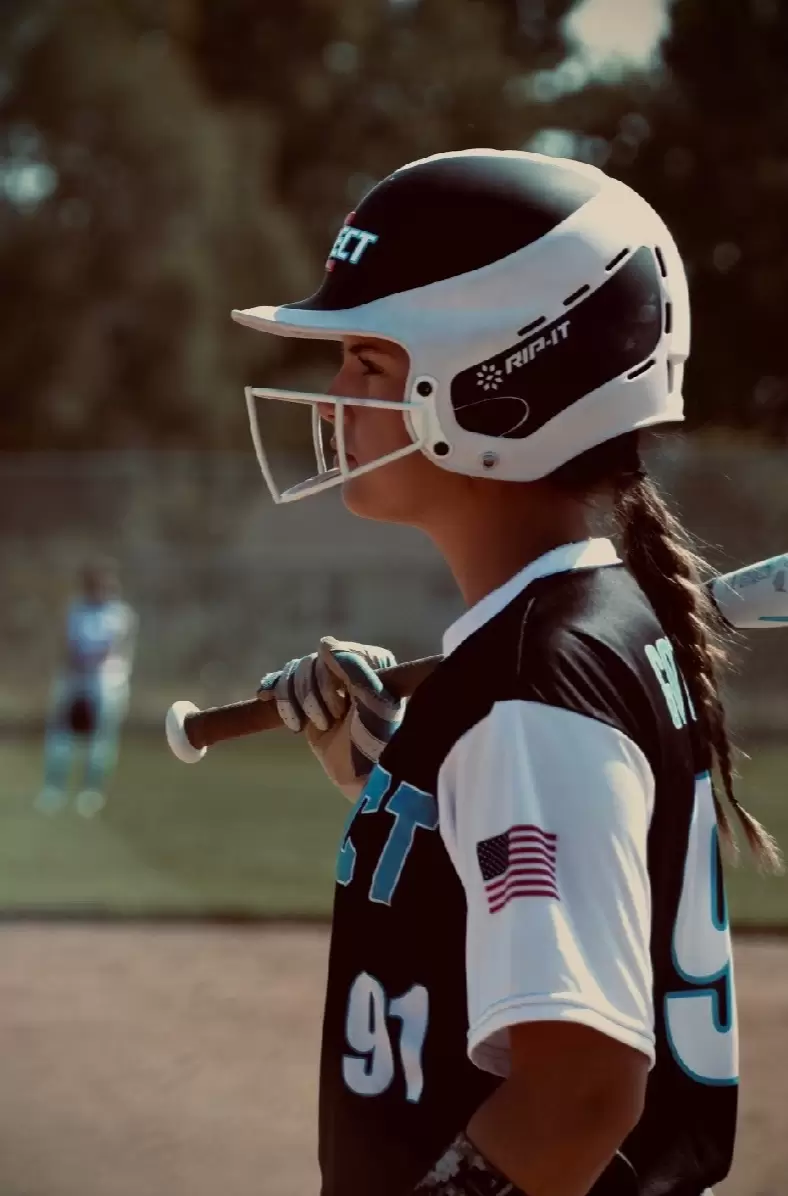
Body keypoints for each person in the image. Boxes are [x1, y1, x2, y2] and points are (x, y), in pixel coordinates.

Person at [234, 150, 781, 1196]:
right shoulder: (569, 639)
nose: (335, 396)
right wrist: (394, 776)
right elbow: (518, 854)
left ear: (498, 390)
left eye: (367, 362)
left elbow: (578, 1095)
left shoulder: (535, 683)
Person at [36, 558, 137, 819]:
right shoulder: (76, 611)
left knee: (101, 739)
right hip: (74, 678)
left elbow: (114, 648)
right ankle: (54, 789)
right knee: (60, 736)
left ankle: (91, 791)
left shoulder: (120, 614)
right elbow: (67, 644)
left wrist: (91, 661)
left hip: (106, 682)